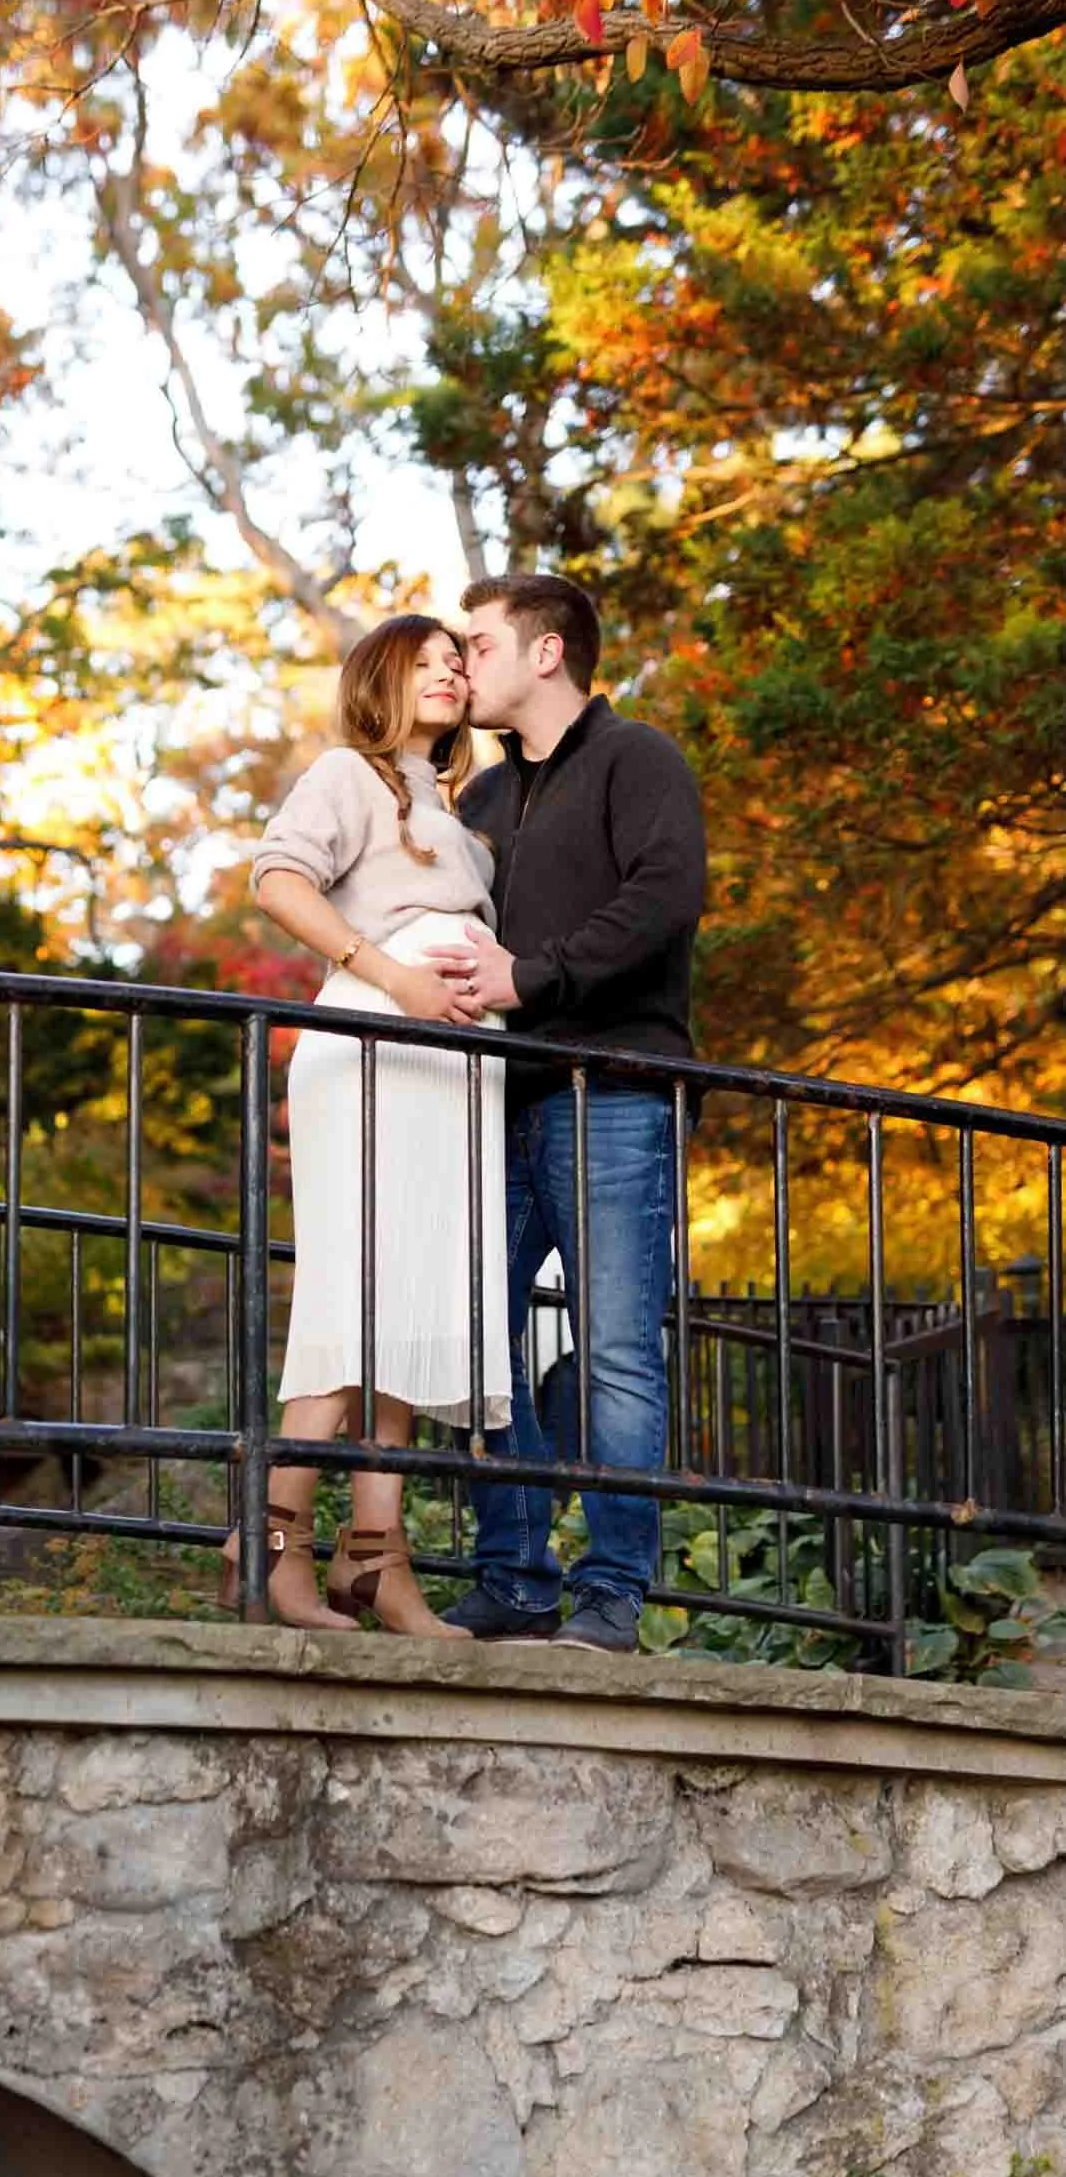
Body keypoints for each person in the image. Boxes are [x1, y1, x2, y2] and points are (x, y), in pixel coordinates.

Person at [425, 573, 707, 1652]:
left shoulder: (638, 758)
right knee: (470, 1342)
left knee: (616, 1353)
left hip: (614, 1093)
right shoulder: (480, 800)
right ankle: (516, 1576)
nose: (462, 661)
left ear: (546, 652)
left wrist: (531, 977)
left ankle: (611, 1594)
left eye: (478, 642)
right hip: (496, 1101)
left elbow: (663, 895)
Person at [227, 614, 511, 1636]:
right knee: (351, 1301)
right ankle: (268, 1541)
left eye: (455, 663)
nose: (446, 674)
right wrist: (390, 974)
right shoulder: (345, 775)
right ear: (377, 680)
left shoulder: (458, 814)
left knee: (416, 1310)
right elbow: (276, 880)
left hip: (453, 1070)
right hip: (374, 1046)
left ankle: (374, 1556)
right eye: (421, 662)